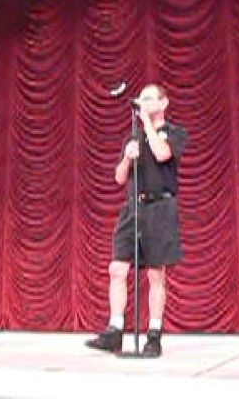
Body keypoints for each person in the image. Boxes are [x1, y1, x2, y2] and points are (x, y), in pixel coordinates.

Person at [85, 83, 188, 358]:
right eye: (141, 99)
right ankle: (115, 330)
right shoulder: (133, 138)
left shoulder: (174, 133)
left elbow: (162, 154)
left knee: (156, 274)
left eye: (150, 99)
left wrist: (146, 124)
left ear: (164, 103)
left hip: (160, 207)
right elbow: (119, 178)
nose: (144, 103)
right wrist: (127, 159)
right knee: (117, 268)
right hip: (133, 208)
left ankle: (154, 335)